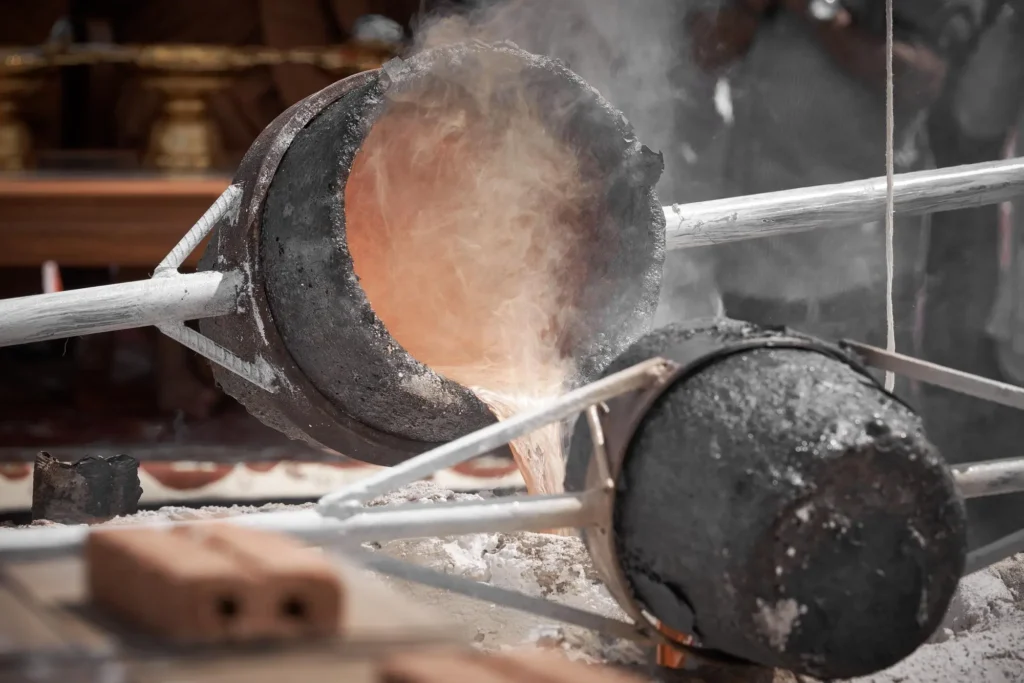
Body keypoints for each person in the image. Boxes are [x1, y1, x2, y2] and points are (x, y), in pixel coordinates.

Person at [685, 0, 961, 362]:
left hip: (858, 257)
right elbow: (705, 54)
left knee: (862, 399)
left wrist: (819, 11)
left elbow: (925, 77)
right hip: (757, 254)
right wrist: (751, 10)